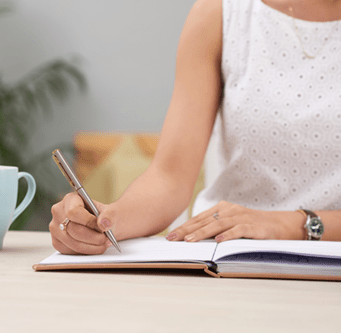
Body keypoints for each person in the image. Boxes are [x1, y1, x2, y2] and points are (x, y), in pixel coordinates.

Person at [49, 0, 341, 255]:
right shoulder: (221, 13)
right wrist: (107, 220)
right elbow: (170, 178)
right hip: (227, 258)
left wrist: (290, 224)